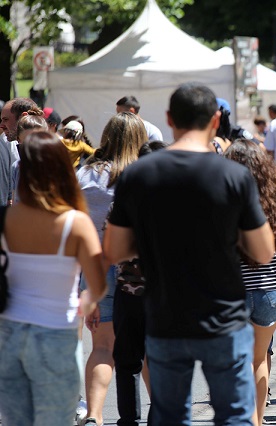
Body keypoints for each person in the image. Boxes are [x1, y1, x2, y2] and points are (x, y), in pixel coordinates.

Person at [104, 82, 275, 425]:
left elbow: (115, 250)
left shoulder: (137, 174)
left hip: (166, 317)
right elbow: (262, 249)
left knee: (171, 417)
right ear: (215, 120)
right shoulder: (234, 175)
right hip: (224, 318)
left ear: (169, 118)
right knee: (234, 416)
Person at [0, 131, 107, 425]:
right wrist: (83, 303)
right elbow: (98, 285)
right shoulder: (76, 223)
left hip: (10, 332)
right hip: (56, 331)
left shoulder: (7, 219)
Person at [224, 138, 276, 426]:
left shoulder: (221, 200)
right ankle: (257, 421)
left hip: (230, 294)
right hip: (268, 294)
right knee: (259, 360)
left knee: (235, 364)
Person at [77, 112, 147, 426]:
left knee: (103, 345)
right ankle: (161, 411)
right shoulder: (138, 173)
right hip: (134, 268)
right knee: (144, 349)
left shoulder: (84, 173)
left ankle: (93, 415)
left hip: (92, 265)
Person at [110, 141, 167, 426]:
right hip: (167, 295)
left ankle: (128, 421)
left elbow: (113, 249)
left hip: (130, 291)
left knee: (128, 362)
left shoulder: (125, 199)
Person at [0, 98, 38, 206]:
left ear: (23, 117)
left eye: (6, 119)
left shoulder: (46, 155)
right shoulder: (17, 160)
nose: (1, 125)